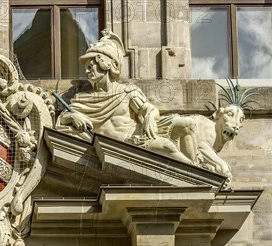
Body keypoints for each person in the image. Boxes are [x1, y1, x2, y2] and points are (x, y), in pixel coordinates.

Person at [57, 30, 197, 164]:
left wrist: (149, 117)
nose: (87, 71)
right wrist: (73, 116)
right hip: (128, 143)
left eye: (91, 65)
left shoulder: (127, 91)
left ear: (106, 64)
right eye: (86, 67)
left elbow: (150, 109)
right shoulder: (83, 98)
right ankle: (194, 176)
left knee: (188, 124)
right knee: (167, 146)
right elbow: (62, 119)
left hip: (141, 132)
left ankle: (198, 172)